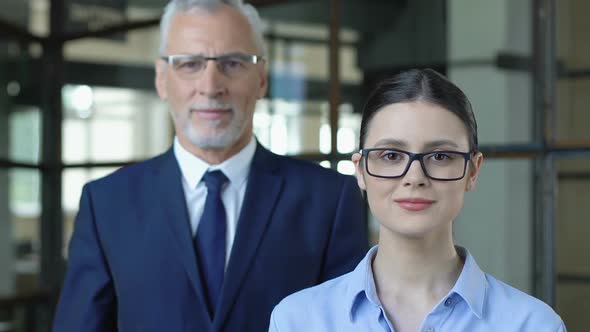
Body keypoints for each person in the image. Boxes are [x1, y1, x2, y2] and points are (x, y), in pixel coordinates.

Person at [52, 0, 368, 331]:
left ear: (261, 78)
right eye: (189, 64)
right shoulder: (106, 204)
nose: (211, 86)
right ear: (162, 79)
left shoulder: (330, 199)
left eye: (232, 63)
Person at [269, 69, 567, 332]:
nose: (414, 177)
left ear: (473, 171)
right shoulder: (298, 320)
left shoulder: (532, 325)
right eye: (391, 156)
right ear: (360, 170)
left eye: (440, 156)